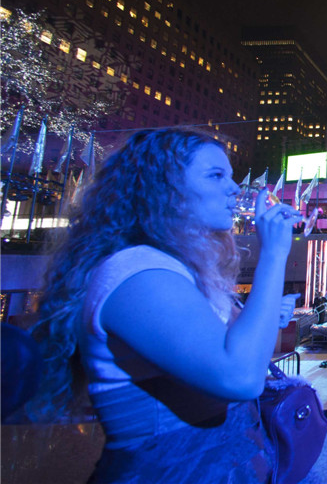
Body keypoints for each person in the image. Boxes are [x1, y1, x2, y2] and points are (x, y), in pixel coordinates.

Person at [28, 128, 304, 482]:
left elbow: (242, 353)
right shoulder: (137, 273)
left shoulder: (172, 268)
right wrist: (274, 255)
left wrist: (265, 316)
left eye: (231, 176)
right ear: (165, 188)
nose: (235, 189)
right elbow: (240, 377)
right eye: (216, 175)